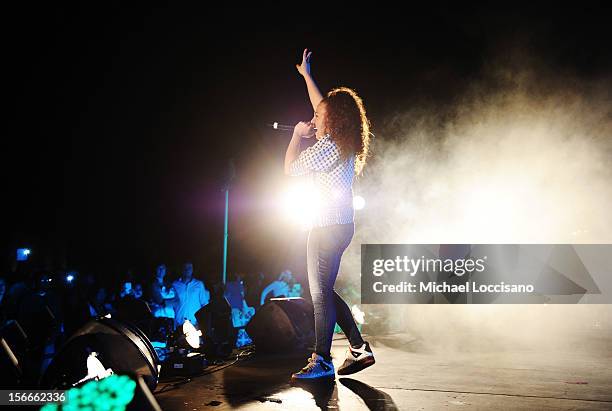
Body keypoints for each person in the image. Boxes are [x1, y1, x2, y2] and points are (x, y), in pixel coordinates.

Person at [286, 49, 375, 381]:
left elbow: (290, 169)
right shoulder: (344, 140)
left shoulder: (327, 146)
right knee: (323, 289)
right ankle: (358, 347)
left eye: (318, 117)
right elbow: (321, 106)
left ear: (332, 120)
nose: (314, 120)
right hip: (342, 226)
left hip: (325, 227)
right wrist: (307, 76)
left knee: (320, 293)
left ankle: (321, 360)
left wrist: (297, 136)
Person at [171, 262, 210, 328]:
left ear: (192, 270)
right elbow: (171, 304)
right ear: (182, 269)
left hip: (194, 324)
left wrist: (201, 322)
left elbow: (205, 304)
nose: (187, 270)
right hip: (178, 324)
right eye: (185, 268)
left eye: (189, 268)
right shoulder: (175, 285)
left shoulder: (199, 284)